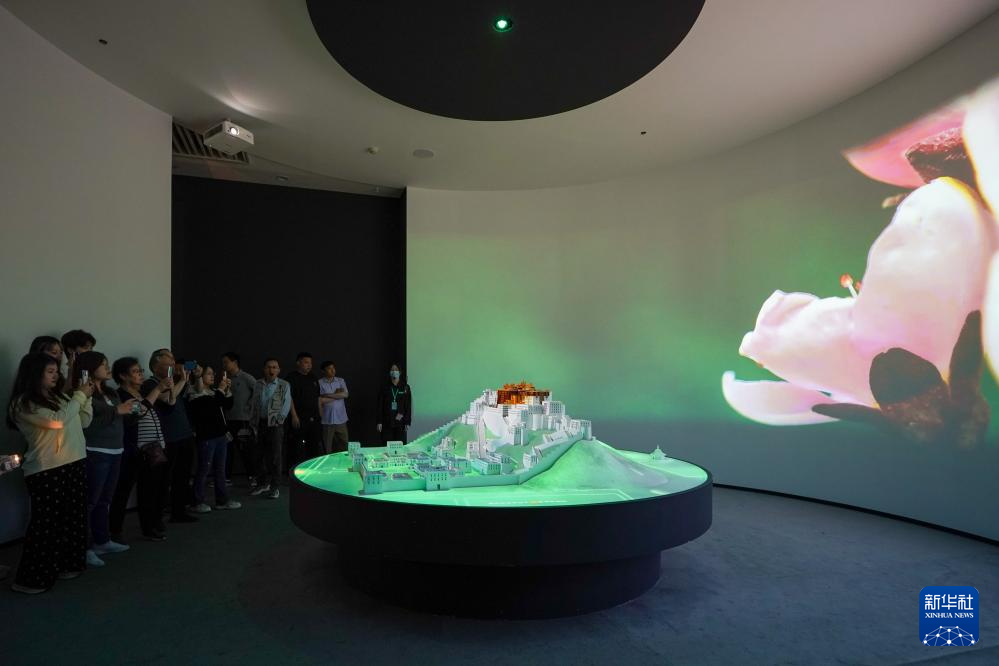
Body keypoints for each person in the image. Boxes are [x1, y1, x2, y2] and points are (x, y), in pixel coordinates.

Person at [6, 352, 93, 593]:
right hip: (46, 469)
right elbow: (57, 422)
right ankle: (32, 580)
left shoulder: (60, 396)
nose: (56, 376)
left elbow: (82, 422)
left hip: (74, 461)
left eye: (57, 371)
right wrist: (79, 395)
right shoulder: (23, 403)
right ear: (35, 374)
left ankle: (67, 565)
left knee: (73, 519)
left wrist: (85, 399)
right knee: (47, 525)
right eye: (50, 372)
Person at [76, 351, 134, 567]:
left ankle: (102, 540)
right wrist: (116, 411)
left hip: (116, 449)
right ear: (90, 368)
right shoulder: (84, 392)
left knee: (104, 500)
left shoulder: (110, 391)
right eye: (103, 364)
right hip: (95, 450)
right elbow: (86, 424)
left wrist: (132, 411)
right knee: (90, 501)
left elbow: (119, 419)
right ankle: (84, 548)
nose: (108, 368)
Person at [111, 357, 172, 541]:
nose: (140, 375)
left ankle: (150, 526)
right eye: (135, 371)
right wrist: (157, 389)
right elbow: (137, 412)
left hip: (153, 449)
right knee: (123, 491)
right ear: (123, 376)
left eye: (140, 371)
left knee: (150, 490)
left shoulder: (141, 392)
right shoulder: (120, 395)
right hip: (135, 450)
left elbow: (166, 405)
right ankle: (114, 531)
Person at [142, 349, 198, 523]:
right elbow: (167, 398)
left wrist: (187, 379)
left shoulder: (173, 381)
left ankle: (179, 511)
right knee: (163, 479)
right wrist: (182, 381)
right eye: (169, 362)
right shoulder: (149, 384)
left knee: (183, 476)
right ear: (156, 365)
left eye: (173, 362)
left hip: (184, 435)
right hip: (166, 439)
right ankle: (158, 517)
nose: (173, 365)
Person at [186, 364, 241, 512]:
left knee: (220, 470)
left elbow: (228, 405)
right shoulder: (194, 392)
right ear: (200, 376)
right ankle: (197, 502)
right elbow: (210, 408)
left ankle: (222, 501)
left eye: (213, 374)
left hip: (220, 436)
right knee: (204, 469)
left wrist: (226, 390)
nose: (212, 376)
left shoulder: (214, 392)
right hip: (207, 437)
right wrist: (221, 390)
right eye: (208, 373)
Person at [250, 358, 291, 499]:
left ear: (278, 370)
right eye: (269, 367)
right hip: (259, 423)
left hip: (275, 425)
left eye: (274, 367)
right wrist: (252, 422)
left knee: (275, 457)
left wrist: (279, 420)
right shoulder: (258, 384)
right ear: (264, 369)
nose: (271, 370)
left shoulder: (284, 384)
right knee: (258, 455)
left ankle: (275, 487)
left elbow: (286, 404)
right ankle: (262, 484)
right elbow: (254, 403)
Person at [221, 352, 259, 486]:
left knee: (246, 450)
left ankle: (253, 477)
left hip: (243, 420)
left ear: (235, 362)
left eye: (226, 362)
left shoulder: (246, 377)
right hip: (228, 420)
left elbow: (258, 391)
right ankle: (226, 478)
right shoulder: (226, 379)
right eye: (223, 362)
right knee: (227, 450)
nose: (224, 365)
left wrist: (249, 406)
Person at [285, 352, 321, 468]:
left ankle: (313, 470)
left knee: (314, 446)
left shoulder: (313, 377)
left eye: (310, 363)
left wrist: (320, 414)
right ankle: (295, 471)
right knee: (296, 447)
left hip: (314, 418)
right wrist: (294, 416)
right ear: (298, 363)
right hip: (299, 418)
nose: (309, 365)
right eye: (306, 362)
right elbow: (289, 398)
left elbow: (318, 397)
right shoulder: (291, 377)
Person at [376, 363, 412, 444]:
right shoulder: (384, 387)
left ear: (400, 372)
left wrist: (407, 422)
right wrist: (379, 421)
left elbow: (408, 406)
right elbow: (380, 405)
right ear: (389, 372)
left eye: (396, 370)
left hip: (400, 421)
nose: (394, 371)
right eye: (392, 370)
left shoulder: (405, 387)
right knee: (386, 445)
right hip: (387, 421)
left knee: (399, 445)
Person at [319, 361, 350, 454]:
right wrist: (337, 395)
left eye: (333, 368)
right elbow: (321, 400)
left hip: (341, 419)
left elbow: (345, 395)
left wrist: (326, 395)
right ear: (323, 371)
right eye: (329, 368)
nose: (332, 370)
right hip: (327, 420)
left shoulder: (340, 381)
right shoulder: (319, 383)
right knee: (327, 448)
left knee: (345, 446)